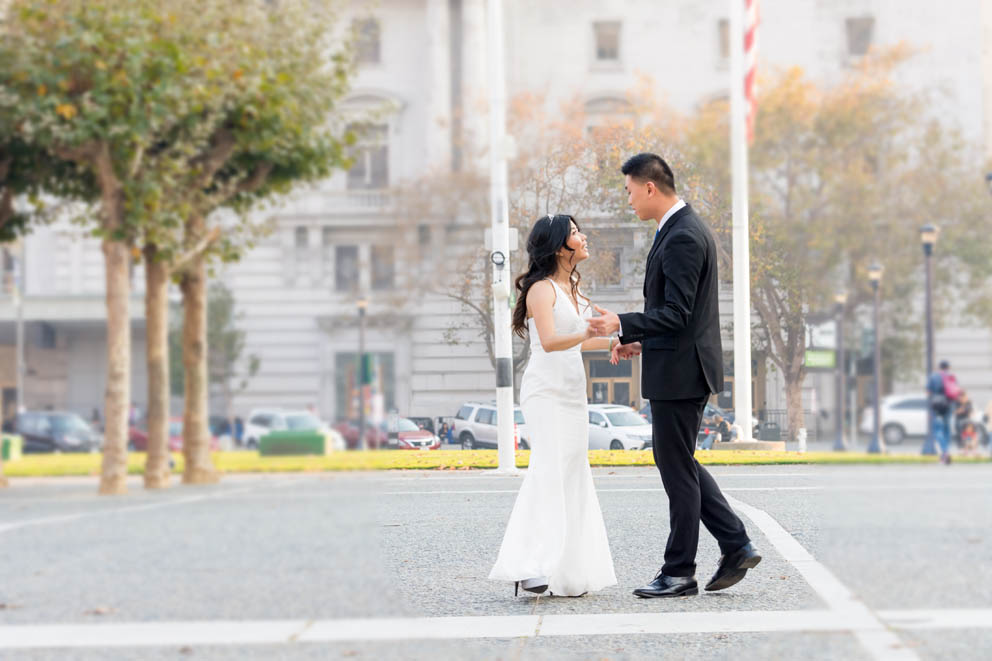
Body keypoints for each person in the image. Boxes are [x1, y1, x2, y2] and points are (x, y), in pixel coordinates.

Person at [588, 153, 759, 598]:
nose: (628, 201)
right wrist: (640, 341)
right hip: (678, 365)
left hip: (682, 375)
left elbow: (679, 313)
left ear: (649, 188)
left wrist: (621, 323)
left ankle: (680, 570)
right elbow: (684, 318)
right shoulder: (680, 229)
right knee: (677, 462)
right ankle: (735, 543)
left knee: (675, 467)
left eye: (628, 191)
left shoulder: (683, 235)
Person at [489, 214, 617, 598]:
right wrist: (587, 331)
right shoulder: (541, 290)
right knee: (548, 469)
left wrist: (616, 344)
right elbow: (549, 340)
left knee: (573, 472)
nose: (584, 236)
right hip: (545, 392)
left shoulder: (574, 290)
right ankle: (527, 566)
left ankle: (564, 570)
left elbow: (580, 340)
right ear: (560, 245)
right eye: (576, 233)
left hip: (573, 392)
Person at [927, 360, 956, 464]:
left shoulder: (934, 376)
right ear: (948, 367)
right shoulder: (952, 376)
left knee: (938, 430)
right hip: (949, 405)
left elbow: (928, 391)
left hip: (937, 406)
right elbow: (955, 391)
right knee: (947, 430)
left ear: (939, 367)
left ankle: (944, 452)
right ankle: (945, 454)